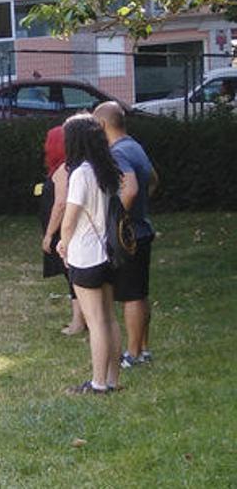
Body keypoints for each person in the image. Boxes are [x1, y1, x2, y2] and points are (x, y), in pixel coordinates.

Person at [56, 115, 124, 395]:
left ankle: (97, 384)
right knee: (109, 318)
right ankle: (113, 380)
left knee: (95, 322)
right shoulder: (106, 169)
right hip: (108, 252)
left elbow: (70, 219)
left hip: (85, 255)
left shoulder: (81, 173)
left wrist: (62, 242)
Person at [95, 101, 158, 368]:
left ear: (101, 125)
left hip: (129, 235)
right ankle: (143, 348)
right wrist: (141, 207)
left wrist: (117, 218)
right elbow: (153, 179)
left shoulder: (117, 152)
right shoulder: (135, 146)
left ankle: (131, 355)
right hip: (143, 229)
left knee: (131, 295)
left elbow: (129, 189)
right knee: (140, 292)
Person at [40, 124, 83, 336]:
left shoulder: (64, 169)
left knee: (72, 273)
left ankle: (78, 322)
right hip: (65, 229)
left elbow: (61, 203)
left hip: (64, 230)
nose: (44, 146)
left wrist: (49, 234)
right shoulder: (65, 167)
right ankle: (80, 319)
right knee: (71, 274)